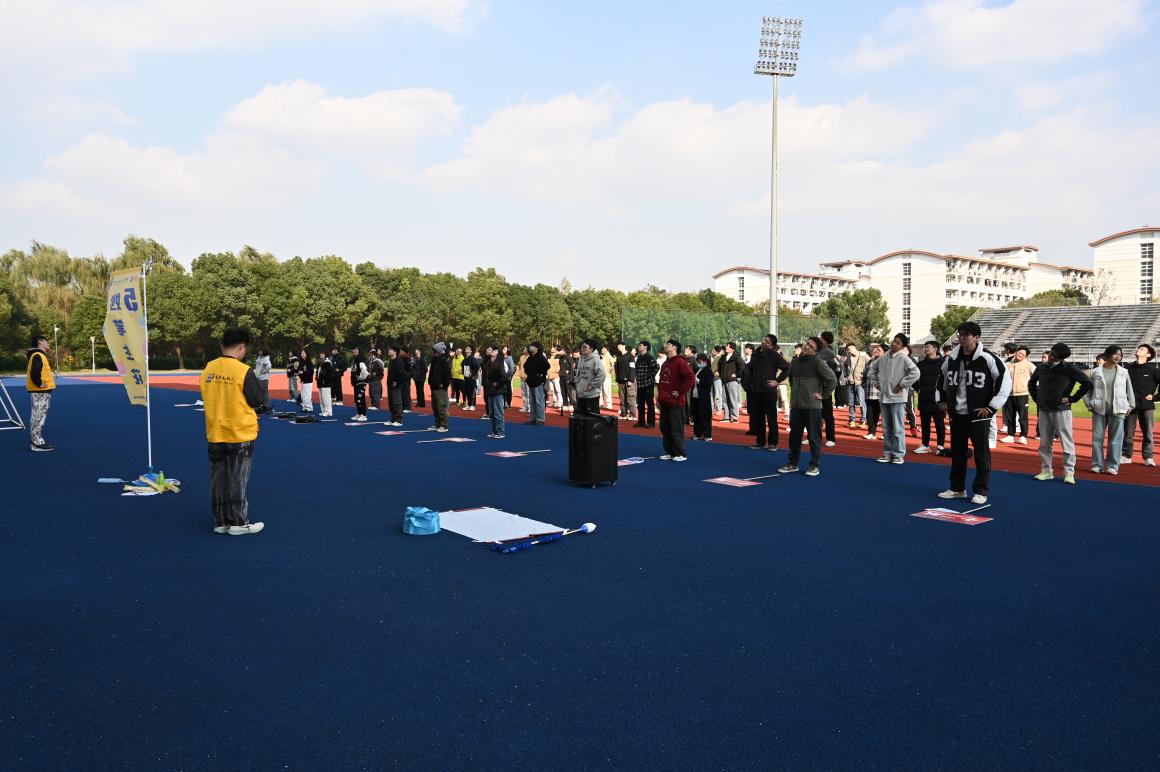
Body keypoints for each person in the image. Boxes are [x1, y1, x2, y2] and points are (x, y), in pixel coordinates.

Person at [937, 322, 1011, 505]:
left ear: (977, 337)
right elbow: (941, 381)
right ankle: (957, 488)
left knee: (981, 454)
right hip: (957, 414)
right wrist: (942, 401)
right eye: (960, 334)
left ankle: (981, 490)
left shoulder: (988, 358)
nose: (961, 338)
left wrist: (991, 408)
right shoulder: (951, 359)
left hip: (978, 414)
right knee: (958, 453)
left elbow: (1004, 383)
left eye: (966, 335)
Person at [201, 328, 265, 535]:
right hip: (239, 432)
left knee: (218, 479)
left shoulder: (209, 368)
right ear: (241, 348)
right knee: (237, 479)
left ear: (222, 345)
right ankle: (238, 522)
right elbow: (258, 399)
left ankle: (221, 521)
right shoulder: (243, 370)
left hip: (215, 430)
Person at [1028, 342, 1091, 484]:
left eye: (1056, 357)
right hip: (1044, 409)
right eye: (1052, 354)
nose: (1052, 357)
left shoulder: (1069, 368)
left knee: (1067, 442)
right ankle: (1046, 471)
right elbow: (1031, 383)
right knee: (1044, 443)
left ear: (1062, 358)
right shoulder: (1041, 367)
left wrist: (1073, 398)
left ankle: (1069, 473)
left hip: (1062, 410)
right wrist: (1037, 398)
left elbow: (1087, 382)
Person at [778, 337, 838, 477]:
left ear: (816, 351)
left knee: (814, 438)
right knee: (794, 437)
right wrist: (795, 393)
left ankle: (814, 465)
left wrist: (823, 394)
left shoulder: (818, 362)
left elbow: (832, 379)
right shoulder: (795, 361)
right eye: (807, 344)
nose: (807, 347)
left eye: (811, 346)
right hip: (796, 407)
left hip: (812, 407)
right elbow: (791, 379)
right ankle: (792, 463)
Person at [1084, 345, 1135, 475]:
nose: (1118, 356)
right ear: (1107, 355)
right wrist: (1089, 404)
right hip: (1098, 409)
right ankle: (1097, 465)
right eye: (1115, 354)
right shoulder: (1095, 372)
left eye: (1120, 355)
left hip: (1118, 410)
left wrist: (1130, 405)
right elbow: (1087, 391)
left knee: (1116, 439)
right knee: (1097, 438)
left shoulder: (1124, 372)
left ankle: (1113, 466)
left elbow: (1129, 390)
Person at [875, 333, 920, 465]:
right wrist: (877, 384)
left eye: (898, 343)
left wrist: (902, 385)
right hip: (884, 397)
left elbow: (916, 372)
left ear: (902, 346)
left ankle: (898, 454)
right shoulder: (883, 358)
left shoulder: (904, 358)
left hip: (898, 398)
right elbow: (872, 371)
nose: (894, 344)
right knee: (886, 428)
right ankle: (887, 453)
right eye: (894, 341)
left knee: (897, 427)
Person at [746, 334, 790, 451]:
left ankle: (772, 443)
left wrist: (777, 381)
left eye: (767, 342)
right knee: (758, 417)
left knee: (771, 418)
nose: (764, 342)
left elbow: (786, 368)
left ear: (771, 345)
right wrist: (750, 382)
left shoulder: (773, 355)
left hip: (769, 391)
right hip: (756, 390)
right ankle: (760, 441)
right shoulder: (755, 353)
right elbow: (751, 369)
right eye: (764, 340)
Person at [656, 339, 695, 461]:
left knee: (676, 428)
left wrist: (680, 391)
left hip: (675, 402)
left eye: (668, 344)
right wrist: (659, 396)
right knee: (665, 427)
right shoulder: (665, 363)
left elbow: (690, 377)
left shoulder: (680, 362)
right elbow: (662, 382)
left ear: (674, 347)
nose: (665, 346)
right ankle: (670, 452)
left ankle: (680, 453)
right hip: (664, 400)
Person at [1122, 344, 1159, 466]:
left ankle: (1148, 457)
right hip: (1130, 406)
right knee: (1128, 433)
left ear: (1148, 355)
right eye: (1138, 348)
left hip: (1146, 406)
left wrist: (1156, 397)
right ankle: (1126, 455)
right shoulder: (1127, 368)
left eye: (1142, 349)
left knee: (1148, 433)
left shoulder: (1153, 370)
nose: (1138, 349)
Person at [913, 341, 946, 455]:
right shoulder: (920, 364)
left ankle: (940, 446)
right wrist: (917, 388)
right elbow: (912, 377)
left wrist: (945, 397)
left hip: (938, 399)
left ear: (935, 349)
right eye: (925, 347)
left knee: (939, 424)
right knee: (925, 424)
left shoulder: (944, 363)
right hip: (924, 398)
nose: (925, 349)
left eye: (928, 347)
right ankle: (925, 445)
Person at [25, 335, 55, 452]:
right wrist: (39, 383)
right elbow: (35, 372)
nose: (48, 343)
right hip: (39, 391)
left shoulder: (38, 355)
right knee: (38, 416)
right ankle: (36, 443)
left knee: (39, 415)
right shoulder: (38, 355)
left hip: (41, 392)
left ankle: (36, 441)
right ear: (40, 342)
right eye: (46, 341)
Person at [1001, 346, 1035, 444]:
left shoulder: (1028, 365)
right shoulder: (1007, 364)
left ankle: (1023, 436)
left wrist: (1032, 387)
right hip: (1009, 395)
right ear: (1016, 352)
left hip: (1022, 395)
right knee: (1010, 416)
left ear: (1025, 356)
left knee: (1022, 417)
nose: (1021, 355)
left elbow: (1037, 376)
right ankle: (1010, 435)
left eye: (1023, 355)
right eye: (1020, 353)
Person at [817, 331, 842, 446]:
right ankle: (813, 436)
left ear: (828, 343)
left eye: (824, 340)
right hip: (812, 388)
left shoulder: (830, 354)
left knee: (827, 414)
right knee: (813, 415)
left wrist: (829, 384)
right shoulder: (813, 351)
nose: (821, 341)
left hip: (825, 390)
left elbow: (838, 368)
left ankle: (830, 438)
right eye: (821, 338)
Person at [574, 339, 605, 415]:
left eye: (585, 347)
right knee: (581, 418)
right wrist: (577, 382)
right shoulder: (581, 358)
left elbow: (602, 374)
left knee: (592, 419)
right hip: (581, 394)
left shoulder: (596, 360)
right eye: (582, 347)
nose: (582, 349)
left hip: (592, 395)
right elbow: (579, 373)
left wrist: (593, 385)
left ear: (591, 349)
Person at [484, 346, 508, 438]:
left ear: (497, 354)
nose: (491, 351)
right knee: (492, 413)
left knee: (498, 412)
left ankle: (500, 432)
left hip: (498, 391)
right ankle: (494, 431)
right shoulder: (488, 363)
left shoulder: (500, 364)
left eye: (494, 351)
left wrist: (497, 384)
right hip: (490, 390)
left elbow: (504, 378)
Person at [523, 343, 549, 425]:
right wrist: (529, 373)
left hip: (538, 382)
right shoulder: (530, 357)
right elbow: (525, 366)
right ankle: (533, 418)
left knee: (539, 400)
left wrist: (540, 373)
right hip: (531, 381)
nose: (531, 347)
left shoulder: (540, 357)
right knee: (532, 401)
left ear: (537, 348)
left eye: (533, 346)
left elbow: (547, 365)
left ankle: (540, 419)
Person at [633, 341, 658, 428]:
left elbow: (656, 367)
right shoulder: (639, 357)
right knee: (640, 404)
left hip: (648, 385)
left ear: (645, 347)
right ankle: (641, 422)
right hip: (640, 384)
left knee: (650, 404)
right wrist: (637, 376)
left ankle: (651, 423)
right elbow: (636, 368)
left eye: (640, 345)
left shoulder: (649, 357)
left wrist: (649, 376)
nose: (639, 347)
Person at [843, 343, 869, 427]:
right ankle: (852, 420)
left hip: (860, 383)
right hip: (850, 382)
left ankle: (863, 420)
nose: (849, 352)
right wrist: (846, 376)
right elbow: (845, 367)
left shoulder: (864, 356)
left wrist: (863, 376)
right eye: (847, 350)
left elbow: (871, 367)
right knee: (851, 403)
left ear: (854, 348)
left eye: (849, 349)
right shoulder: (848, 357)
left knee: (861, 402)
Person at [427, 343, 452, 432]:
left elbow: (448, 375)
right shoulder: (434, 360)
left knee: (441, 407)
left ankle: (444, 426)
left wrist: (444, 384)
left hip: (440, 388)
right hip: (434, 387)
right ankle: (437, 424)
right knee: (435, 407)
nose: (432, 353)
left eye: (433, 351)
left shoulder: (443, 361)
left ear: (437, 352)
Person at [718, 342, 744, 422]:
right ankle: (727, 417)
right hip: (724, 380)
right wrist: (721, 375)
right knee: (725, 399)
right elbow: (719, 366)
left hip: (732, 381)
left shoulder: (736, 357)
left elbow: (742, 366)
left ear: (732, 349)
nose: (726, 348)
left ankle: (734, 417)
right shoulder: (723, 357)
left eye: (728, 347)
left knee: (733, 399)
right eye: (726, 346)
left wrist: (737, 374)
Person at [691, 352, 714, 441]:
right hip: (696, 395)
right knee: (696, 415)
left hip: (703, 396)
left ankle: (707, 434)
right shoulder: (698, 370)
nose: (698, 363)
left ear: (705, 361)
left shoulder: (708, 370)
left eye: (700, 361)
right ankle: (698, 433)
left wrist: (699, 381)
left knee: (704, 416)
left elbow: (708, 382)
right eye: (698, 362)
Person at [863, 344, 884, 439]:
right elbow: (864, 375)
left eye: (879, 350)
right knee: (870, 413)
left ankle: (886, 433)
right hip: (869, 392)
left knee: (884, 414)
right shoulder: (869, 362)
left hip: (881, 393)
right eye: (875, 350)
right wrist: (864, 385)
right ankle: (871, 432)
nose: (876, 351)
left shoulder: (886, 361)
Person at [614, 342, 637, 420]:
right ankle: (623, 414)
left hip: (628, 381)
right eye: (618, 346)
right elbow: (617, 369)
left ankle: (632, 415)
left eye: (620, 346)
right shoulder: (618, 357)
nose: (618, 347)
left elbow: (632, 368)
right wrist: (617, 380)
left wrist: (631, 379)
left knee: (630, 398)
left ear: (624, 346)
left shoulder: (630, 356)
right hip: (620, 381)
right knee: (622, 399)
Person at [387, 346, 407, 425]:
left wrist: (397, 382)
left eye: (390, 350)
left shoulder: (398, 362)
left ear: (395, 352)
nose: (389, 351)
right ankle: (393, 419)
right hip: (390, 385)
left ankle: (399, 420)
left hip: (396, 386)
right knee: (391, 403)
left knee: (397, 402)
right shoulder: (391, 361)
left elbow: (403, 374)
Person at [350, 348, 370, 422]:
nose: (354, 351)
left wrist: (360, 378)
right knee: (357, 399)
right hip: (356, 383)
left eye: (356, 351)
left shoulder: (360, 360)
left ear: (359, 352)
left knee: (360, 398)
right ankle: (359, 413)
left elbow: (365, 371)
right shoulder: (355, 360)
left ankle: (363, 415)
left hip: (361, 383)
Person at [317, 349, 335, 418]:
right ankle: (324, 411)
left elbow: (329, 374)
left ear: (326, 355)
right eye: (320, 353)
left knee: (326, 398)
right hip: (321, 383)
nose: (321, 355)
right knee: (322, 398)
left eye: (323, 354)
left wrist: (325, 381)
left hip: (326, 384)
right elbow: (319, 372)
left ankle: (328, 412)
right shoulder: (321, 362)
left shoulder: (327, 363)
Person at [461, 345, 479, 410]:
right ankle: (469, 404)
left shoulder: (473, 359)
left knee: (472, 391)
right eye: (466, 348)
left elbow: (477, 367)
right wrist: (462, 371)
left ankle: (473, 405)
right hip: (466, 378)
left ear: (471, 351)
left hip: (472, 378)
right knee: (467, 391)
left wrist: (472, 373)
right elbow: (462, 366)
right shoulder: (465, 359)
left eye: (468, 348)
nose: (466, 349)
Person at [600, 345, 615, 410]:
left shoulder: (609, 356)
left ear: (607, 350)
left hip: (607, 376)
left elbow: (613, 363)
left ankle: (609, 404)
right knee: (600, 391)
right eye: (602, 348)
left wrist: (612, 369)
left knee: (607, 390)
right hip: (600, 376)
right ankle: (601, 403)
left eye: (603, 348)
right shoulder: (601, 356)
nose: (602, 349)